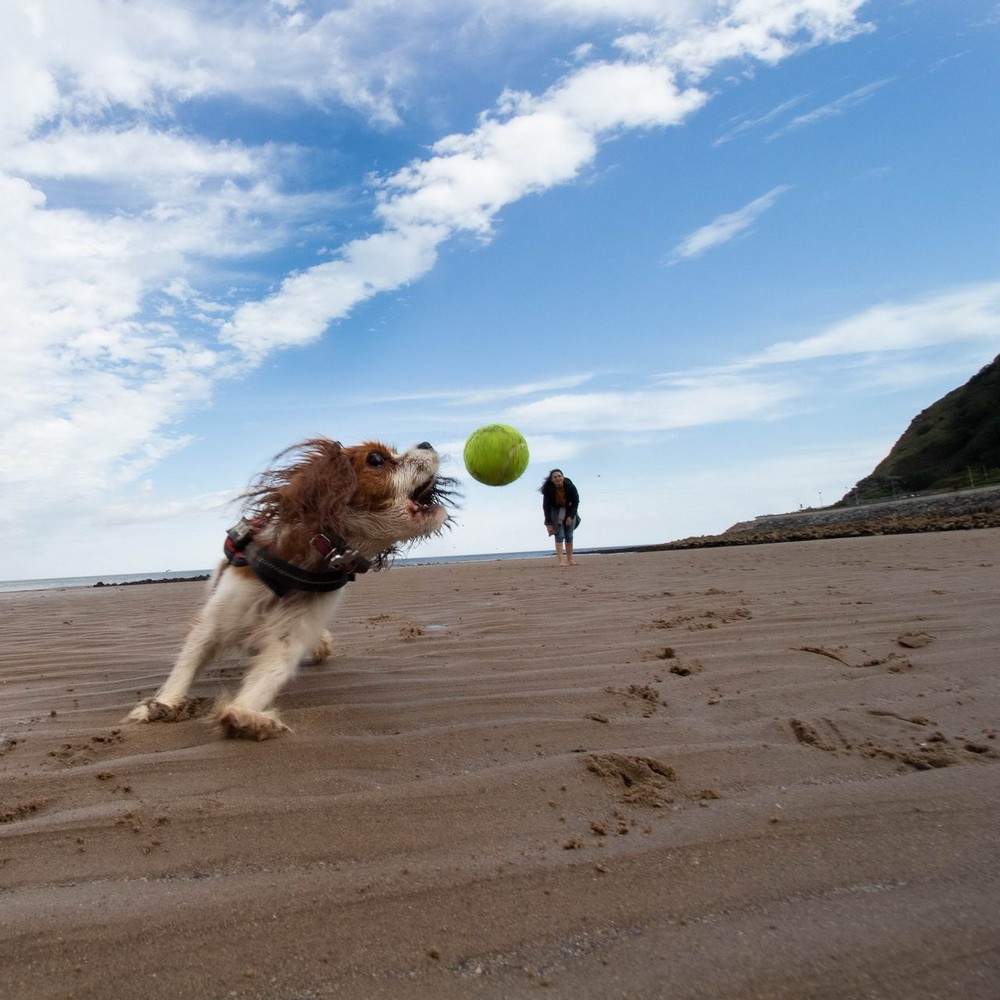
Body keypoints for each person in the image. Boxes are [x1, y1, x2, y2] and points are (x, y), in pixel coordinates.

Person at [540, 469, 580, 566]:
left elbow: (576, 502)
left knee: (569, 535)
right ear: (551, 480)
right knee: (559, 535)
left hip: (570, 509)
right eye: (555, 477)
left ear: (563, 477)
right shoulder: (548, 490)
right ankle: (561, 560)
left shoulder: (570, 486)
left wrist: (571, 517)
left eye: (559, 476)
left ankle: (570, 559)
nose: (558, 478)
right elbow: (546, 507)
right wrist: (549, 523)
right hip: (555, 511)